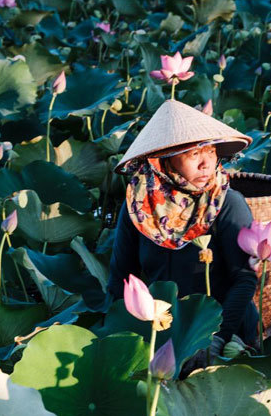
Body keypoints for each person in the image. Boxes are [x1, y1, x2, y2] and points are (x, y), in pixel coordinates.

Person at [107, 99, 259, 366]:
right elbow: (121, 279)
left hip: (223, 332)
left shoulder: (227, 203)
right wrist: (121, 335)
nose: (206, 164)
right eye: (193, 154)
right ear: (164, 159)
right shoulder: (139, 206)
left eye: (211, 152)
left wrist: (217, 337)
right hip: (159, 328)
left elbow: (245, 280)